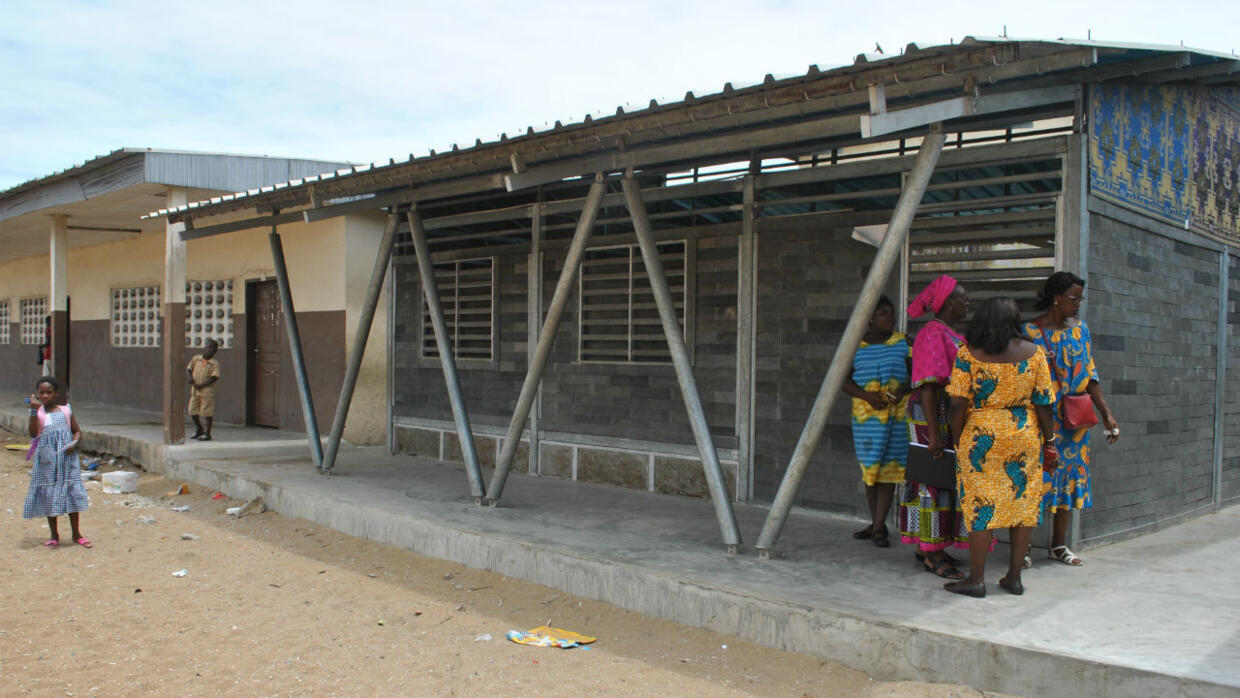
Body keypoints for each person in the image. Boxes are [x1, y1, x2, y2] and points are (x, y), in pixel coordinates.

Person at [943, 297, 1059, 597]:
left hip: (981, 431)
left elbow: (956, 404)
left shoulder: (968, 354)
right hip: (1024, 434)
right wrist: (1051, 442)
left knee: (981, 505)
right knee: (1022, 504)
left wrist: (957, 438)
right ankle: (1014, 578)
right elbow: (1045, 404)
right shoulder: (1035, 354)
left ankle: (977, 579)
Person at [1023, 271, 1120, 566]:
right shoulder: (1031, 332)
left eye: (1080, 299)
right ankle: (1023, 548)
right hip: (1041, 420)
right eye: (1073, 298)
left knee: (1068, 481)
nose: (1077, 304)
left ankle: (1058, 545)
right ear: (1056, 298)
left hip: (1075, 423)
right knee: (1035, 482)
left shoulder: (1081, 331)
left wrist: (1107, 414)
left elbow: (1091, 376)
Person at [899, 275, 977, 579]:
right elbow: (929, 385)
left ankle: (928, 546)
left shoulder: (948, 333)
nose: (967, 302)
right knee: (931, 481)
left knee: (941, 480)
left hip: (946, 417)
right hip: (932, 416)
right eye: (962, 297)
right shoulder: (933, 334)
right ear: (946, 302)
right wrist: (933, 432)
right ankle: (931, 552)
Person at [842, 296, 910, 548]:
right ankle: (876, 522)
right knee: (870, 471)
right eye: (882, 313)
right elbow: (843, 381)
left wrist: (903, 389)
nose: (888, 317)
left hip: (895, 418)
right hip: (866, 420)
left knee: (889, 472)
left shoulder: (903, 343)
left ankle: (879, 527)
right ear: (869, 317)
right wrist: (867, 396)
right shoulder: (855, 347)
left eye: (891, 313)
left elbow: (916, 375)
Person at [24, 375, 90, 549]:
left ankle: (77, 534)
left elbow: (76, 431)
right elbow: (32, 433)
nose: (45, 396)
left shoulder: (66, 411)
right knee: (49, 494)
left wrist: (73, 443)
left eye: (49, 392)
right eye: (42, 393)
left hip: (67, 460)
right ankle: (54, 535)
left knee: (71, 494)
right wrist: (32, 411)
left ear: (57, 393)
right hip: (47, 460)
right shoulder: (38, 413)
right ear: (37, 394)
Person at [186, 338, 221, 441]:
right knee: (192, 410)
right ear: (205, 347)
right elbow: (189, 369)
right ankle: (199, 429)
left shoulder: (214, 363)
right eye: (210, 347)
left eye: (214, 349)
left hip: (207, 391)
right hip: (195, 390)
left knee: (207, 412)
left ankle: (208, 433)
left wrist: (202, 385)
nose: (211, 350)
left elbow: (214, 377)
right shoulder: (196, 358)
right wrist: (191, 378)